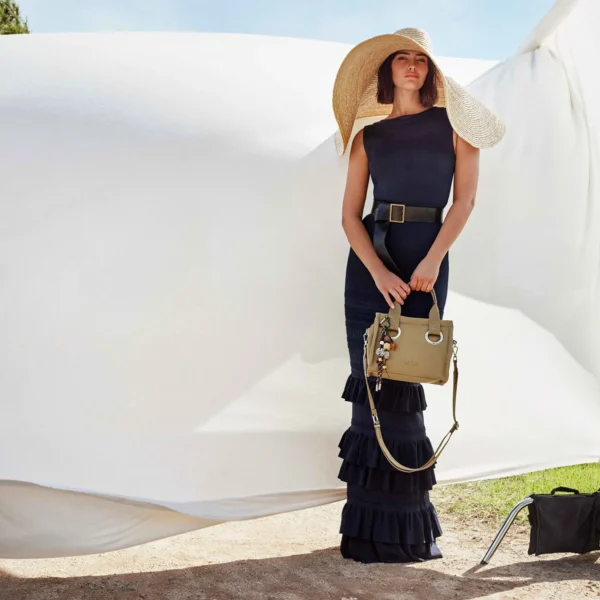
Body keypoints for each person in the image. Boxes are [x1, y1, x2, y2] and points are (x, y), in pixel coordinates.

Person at [332, 27, 506, 563]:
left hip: (426, 263)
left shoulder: (456, 127)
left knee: (404, 381)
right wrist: (378, 273)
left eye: (421, 60)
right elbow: (350, 216)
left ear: (431, 71)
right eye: (402, 59)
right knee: (371, 386)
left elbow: (465, 201)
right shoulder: (368, 135)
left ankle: (405, 533)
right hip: (371, 267)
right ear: (387, 70)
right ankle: (365, 534)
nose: (412, 66)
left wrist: (432, 260)